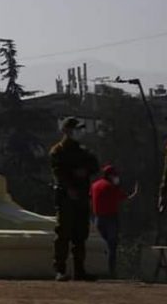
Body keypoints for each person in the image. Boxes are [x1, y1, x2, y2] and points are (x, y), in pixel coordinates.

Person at [49, 116, 100, 281]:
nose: (80, 132)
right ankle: (60, 269)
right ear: (67, 131)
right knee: (63, 232)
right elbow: (58, 173)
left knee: (80, 234)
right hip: (65, 196)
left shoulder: (82, 151)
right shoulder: (58, 150)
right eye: (76, 129)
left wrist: (84, 171)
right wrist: (70, 186)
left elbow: (94, 165)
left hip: (81, 196)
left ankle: (79, 270)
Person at [90, 164, 139, 278]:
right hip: (111, 219)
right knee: (111, 246)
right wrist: (135, 193)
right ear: (110, 176)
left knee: (100, 245)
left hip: (97, 218)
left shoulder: (94, 185)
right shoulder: (111, 187)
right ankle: (110, 271)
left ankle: (98, 269)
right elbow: (125, 198)